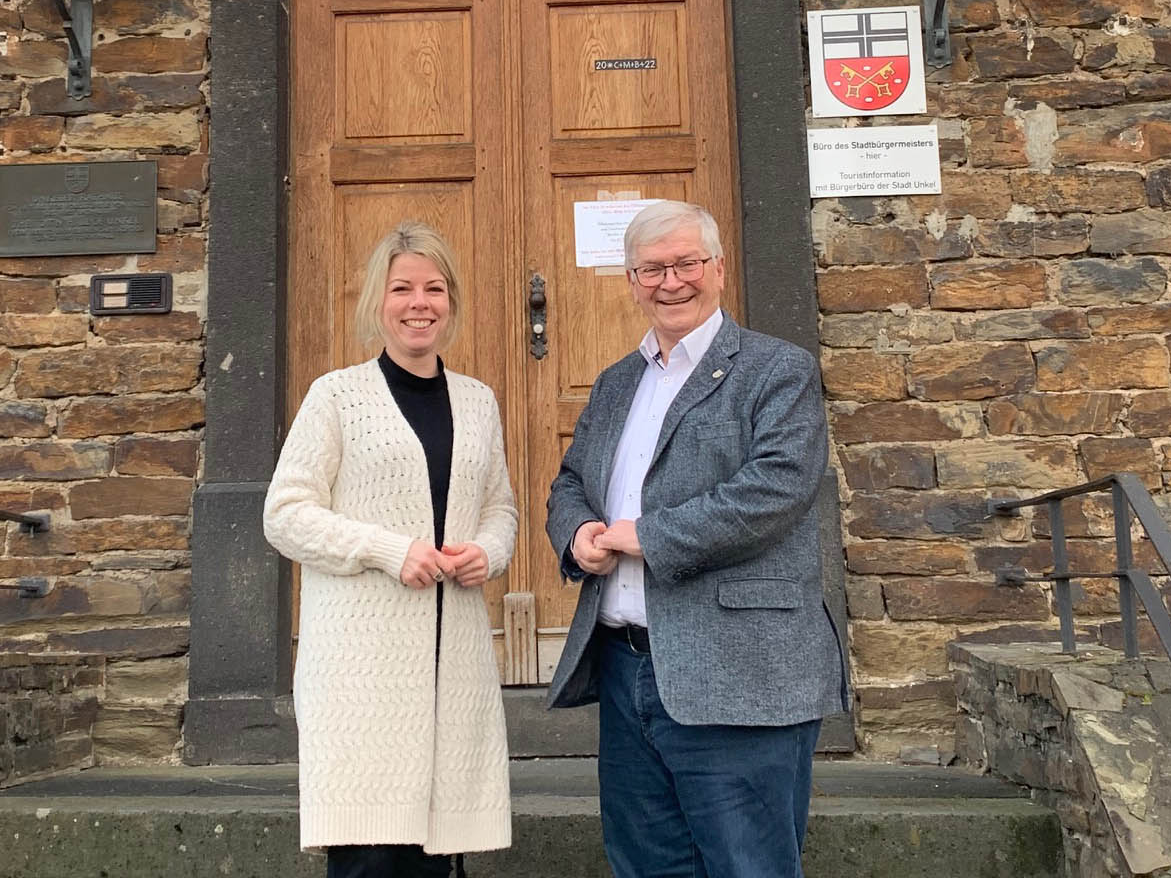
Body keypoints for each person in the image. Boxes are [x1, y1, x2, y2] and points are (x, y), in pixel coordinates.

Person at [545, 200, 849, 878]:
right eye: (651, 268)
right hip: (628, 670)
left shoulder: (777, 370)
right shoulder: (618, 382)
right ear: (630, 281)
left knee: (750, 867)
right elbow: (570, 482)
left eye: (685, 263)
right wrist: (580, 533)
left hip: (740, 671)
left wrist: (645, 536)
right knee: (647, 865)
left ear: (718, 269)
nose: (670, 280)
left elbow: (773, 492)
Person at [264, 220, 517, 878]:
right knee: (373, 859)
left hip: (450, 664)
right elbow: (285, 514)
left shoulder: (478, 401)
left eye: (434, 288)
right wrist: (385, 548)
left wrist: (487, 552)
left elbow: (501, 508)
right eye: (402, 287)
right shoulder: (337, 397)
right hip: (362, 678)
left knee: (440, 861)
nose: (419, 302)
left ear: (452, 302)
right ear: (379, 300)